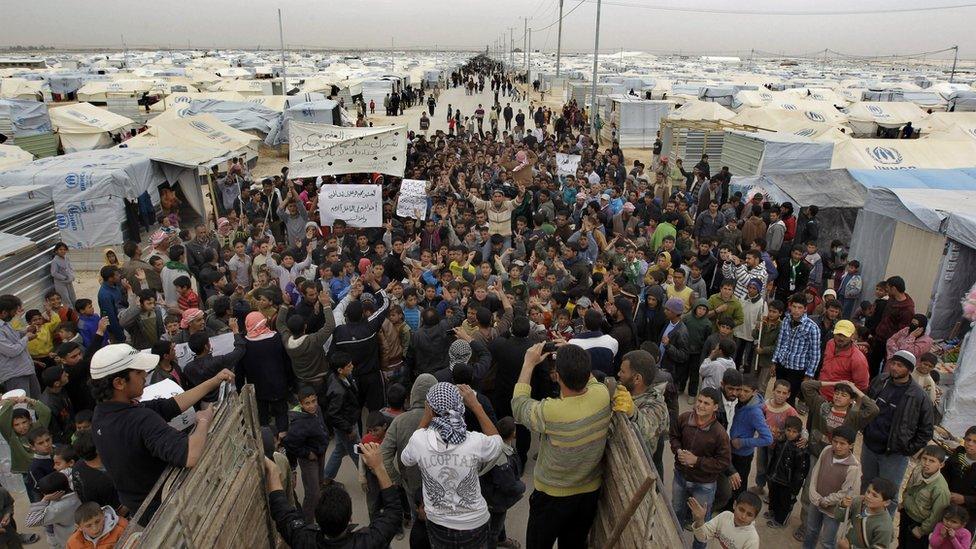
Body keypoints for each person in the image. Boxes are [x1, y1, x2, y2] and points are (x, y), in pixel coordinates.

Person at [89, 343, 234, 522]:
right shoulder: (139, 419)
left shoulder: (102, 414)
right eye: (138, 372)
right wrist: (203, 421)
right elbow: (190, 454)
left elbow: (168, 406)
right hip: (164, 510)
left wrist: (214, 381)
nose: (145, 375)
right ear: (119, 383)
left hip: (139, 507)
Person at [513, 343, 611, 549]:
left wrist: (528, 364)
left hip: (552, 496)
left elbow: (519, 405)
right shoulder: (601, 394)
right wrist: (572, 352)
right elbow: (589, 378)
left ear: (556, 376)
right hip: (588, 493)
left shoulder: (551, 411)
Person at [401, 382, 503, 547]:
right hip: (475, 522)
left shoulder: (419, 440)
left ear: (431, 409)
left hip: (438, 523)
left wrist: (427, 417)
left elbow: (406, 459)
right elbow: (498, 444)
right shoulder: (474, 441)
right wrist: (476, 406)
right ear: (460, 408)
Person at [266, 441, 402, 549]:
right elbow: (394, 511)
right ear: (350, 518)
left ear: (317, 518)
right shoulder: (369, 542)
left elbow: (281, 511)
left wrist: (272, 470)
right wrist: (378, 466)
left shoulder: (303, 541)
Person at [860, 350, 934, 516]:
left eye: (899, 365)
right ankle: (861, 521)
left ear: (909, 369)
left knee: (889, 493)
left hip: (893, 454)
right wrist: (865, 428)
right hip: (870, 446)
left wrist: (906, 449)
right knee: (867, 483)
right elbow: (866, 404)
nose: (894, 367)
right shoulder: (880, 380)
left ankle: (881, 530)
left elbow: (927, 430)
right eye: (893, 363)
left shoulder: (918, 396)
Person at [671, 387, 732, 549]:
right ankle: (672, 542)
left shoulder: (720, 433)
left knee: (701, 524)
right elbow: (674, 436)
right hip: (680, 477)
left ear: (715, 407)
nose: (701, 405)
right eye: (699, 401)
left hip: (703, 485)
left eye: (707, 403)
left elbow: (723, 462)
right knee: (676, 512)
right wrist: (678, 451)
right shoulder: (684, 419)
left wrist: (697, 461)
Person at [804, 426, 861, 549]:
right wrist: (815, 496)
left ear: (851, 445)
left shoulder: (853, 467)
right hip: (816, 501)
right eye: (835, 441)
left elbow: (846, 492)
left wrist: (826, 501)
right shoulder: (826, 451)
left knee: (827, 541)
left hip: (833, 511)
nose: (837, 446)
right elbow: (815, 473)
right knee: (811, 531)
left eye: (842, 443)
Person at [283, 386, 329, 523]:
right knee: (312, 493)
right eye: (307, 403)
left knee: (319, 484)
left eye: (314, 401)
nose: (312, 405)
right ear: (301, 404)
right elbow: (290, 443)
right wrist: (307, 453)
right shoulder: (298, 423)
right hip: (310, 459)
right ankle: (307, 523)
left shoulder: (317, 410)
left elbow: (321, 425)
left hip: (320, 452)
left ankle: (317, 515)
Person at [726, 374, 772, 504]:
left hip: (742, 455)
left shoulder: (754, 412)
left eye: (746, 391)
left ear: (754, 392)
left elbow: (767, 439)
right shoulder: (739, 402)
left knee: (737, 485)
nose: (741, 394)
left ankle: (735, 510)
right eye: (740, 389)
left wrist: (742, 442)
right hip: (731, 450)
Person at [616, 350, 669, 459]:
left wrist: (632, 412)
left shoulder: (657, 405)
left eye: (622, 371)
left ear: (637, 378)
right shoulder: (626, 390)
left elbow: (647, 429)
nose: (618, 374)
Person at [772, 293, 821, 405]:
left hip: (797, 369)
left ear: (805, 309)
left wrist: (809, 374)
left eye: (799, 308)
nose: (796, 310)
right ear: (790, 306)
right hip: (782, 364)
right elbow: (780, 341)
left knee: (789, 398)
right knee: (778, 394)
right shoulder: (786, 320)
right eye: (794, 307)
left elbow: (815, 354)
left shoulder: (812, 327)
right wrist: (774, 361)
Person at [898, 444, 951, 549]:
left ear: (941, 465)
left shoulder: (940, 489)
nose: (926, 463)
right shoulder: (918, 470)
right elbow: (909, 488)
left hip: (919, 523)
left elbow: (936, 515)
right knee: (902, 542)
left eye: (932, 461)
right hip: (907, 514)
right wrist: (904, 502)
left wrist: (922, 530)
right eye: (924, 459)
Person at [323, 352, 361, 480]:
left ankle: (326, 477)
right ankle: (366, 477)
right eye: (349, 366)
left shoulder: (339, 377)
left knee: (339, 450)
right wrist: (349, 429)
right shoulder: (338, 391)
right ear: (340, 370)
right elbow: (333, 415)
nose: (352, 367)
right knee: (358, 453)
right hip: (347, 425)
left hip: (347, 421)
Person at [765, 415, 808, 528]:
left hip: (787, 483)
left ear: (799, 433)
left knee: (784, 502)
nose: (790, 433)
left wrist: (795, 488)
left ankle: (780, 521)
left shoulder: (799, 449)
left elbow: (800, 472)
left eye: (794, 432)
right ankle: (772, 512)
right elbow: (774, 458)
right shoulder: (781, 441)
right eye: (788, 430)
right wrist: (769, 473)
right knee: (773, 496)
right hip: (775, 477)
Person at [833, 478, 896, 549]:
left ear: (887, 502)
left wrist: (850, 548)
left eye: (874, 496)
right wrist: (843, 505)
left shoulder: (884, 527)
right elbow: (839, 517)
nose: (868, 496)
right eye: (868, 491)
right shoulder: (859, 502)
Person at [0, 294, 43, 398]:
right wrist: (27, 338)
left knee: (37, 403)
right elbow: (12, 350)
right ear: (4, 313)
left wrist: (26, 331)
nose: (15, 314)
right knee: (24, 406)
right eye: (13, 311)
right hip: (15, 375)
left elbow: (14, 336)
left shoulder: (5, 323)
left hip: (26, 369)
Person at [689, 491, 761, 549]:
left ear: (755, 517)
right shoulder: (724, 516)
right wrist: (700, 520)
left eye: (749, 514)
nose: (743, 516)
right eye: (741, 510)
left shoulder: (752, 539)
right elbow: (702, 537)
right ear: (734, 505)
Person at [943, 425, 976, 533]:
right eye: (968, 439)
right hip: (947, 508)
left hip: (968, 517)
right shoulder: (958, 453)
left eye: (975, 442)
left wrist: (964, 499)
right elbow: (944, 474)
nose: (970, 443)